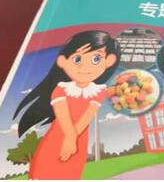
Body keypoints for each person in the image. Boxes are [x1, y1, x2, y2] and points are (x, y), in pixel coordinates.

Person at [14, 31, 119, 179]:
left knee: (70, 172)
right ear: (62, 61)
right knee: (44, 170)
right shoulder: (61, 89)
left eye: (96, 59)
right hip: (58, 135)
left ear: (109, 61)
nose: (85, 66)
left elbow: (86, 117)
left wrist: (72, 139)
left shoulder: (98, 92)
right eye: (77, 59)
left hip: (79, 138)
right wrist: (69, 138)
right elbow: (62, 114)